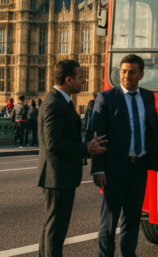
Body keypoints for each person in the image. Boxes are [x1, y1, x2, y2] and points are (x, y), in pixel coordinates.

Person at [89, 55, 158, 257]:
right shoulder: (107, 97)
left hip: (139, 167)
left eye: (132, 72)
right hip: (114, 169)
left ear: (141, 74)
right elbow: (96, 137)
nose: (127, 76)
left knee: (132, 219)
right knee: (108, 223)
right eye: (124, 71)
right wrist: (98, 169)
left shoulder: (147, 97)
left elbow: (154, 124)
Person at [38, 59, 107, 257]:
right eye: (80, 77)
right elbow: (54, 144)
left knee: (51, 226)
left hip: (60, 174)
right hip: (57, 174)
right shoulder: (54, 104)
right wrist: (86, 147)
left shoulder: (61, 101)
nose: (83, 81)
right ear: (68, 79)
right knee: (56, 230)